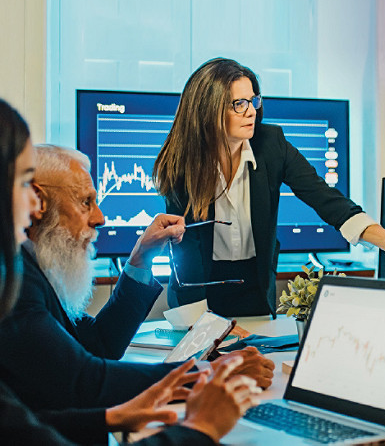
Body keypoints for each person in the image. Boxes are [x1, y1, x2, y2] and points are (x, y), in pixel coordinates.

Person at [0, 98, 262, 445]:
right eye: (85, 202)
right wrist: (209, 378)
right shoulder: (12, 280)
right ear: (39, 198)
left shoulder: (34, 267)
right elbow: (85, 381)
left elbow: (98, 345)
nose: (100, 219)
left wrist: (140, 259)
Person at [153, 57, 385, 317]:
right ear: (208, 109)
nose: (252, 111)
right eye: (239, 104)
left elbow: (326, 199)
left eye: (253, 100)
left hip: (254, 288)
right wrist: (201, 327)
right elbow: (186, 251)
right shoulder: (181, 163)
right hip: (199, 291)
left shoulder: (271, 144)